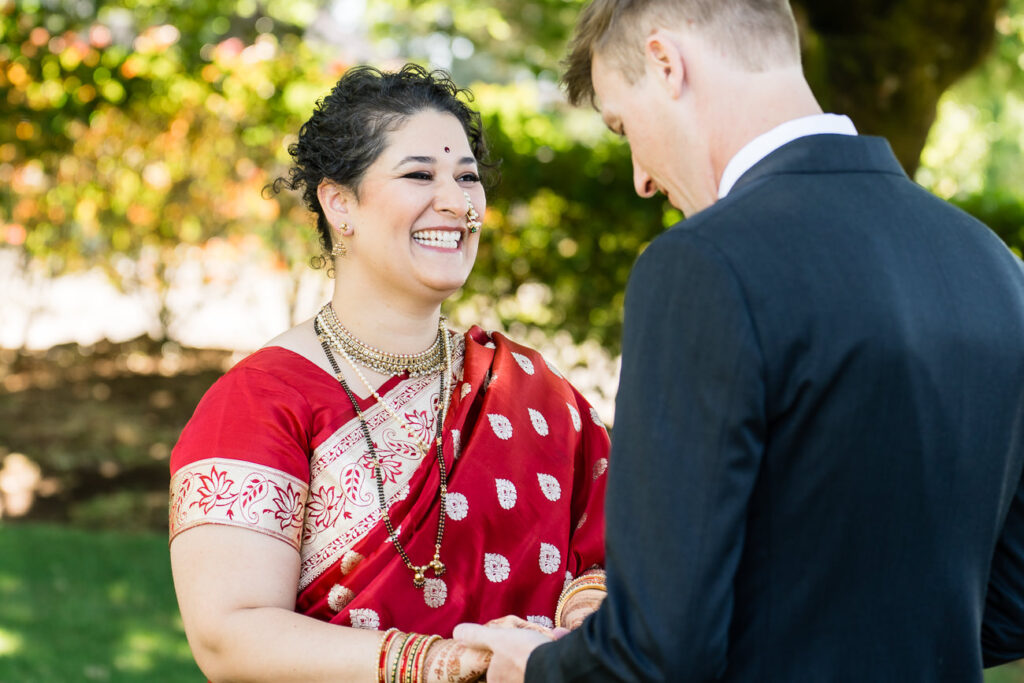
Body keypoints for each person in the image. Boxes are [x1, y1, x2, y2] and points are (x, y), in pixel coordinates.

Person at [455, 1, 1024, 680]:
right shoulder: (993, 266)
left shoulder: (702, 265)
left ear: (667, 64)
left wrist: (540, 665)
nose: (640, 176)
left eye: (622, 125)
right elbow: (1012, 605)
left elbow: (658, 652)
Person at [168, 64, 611, 683]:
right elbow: (229, 634)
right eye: (419, 175)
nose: (457, 203)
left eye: (467, 178)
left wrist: (583, 625)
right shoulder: (260, 403)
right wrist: (453, 662)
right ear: (339, 202)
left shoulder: (531, 389)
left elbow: (618, 553)